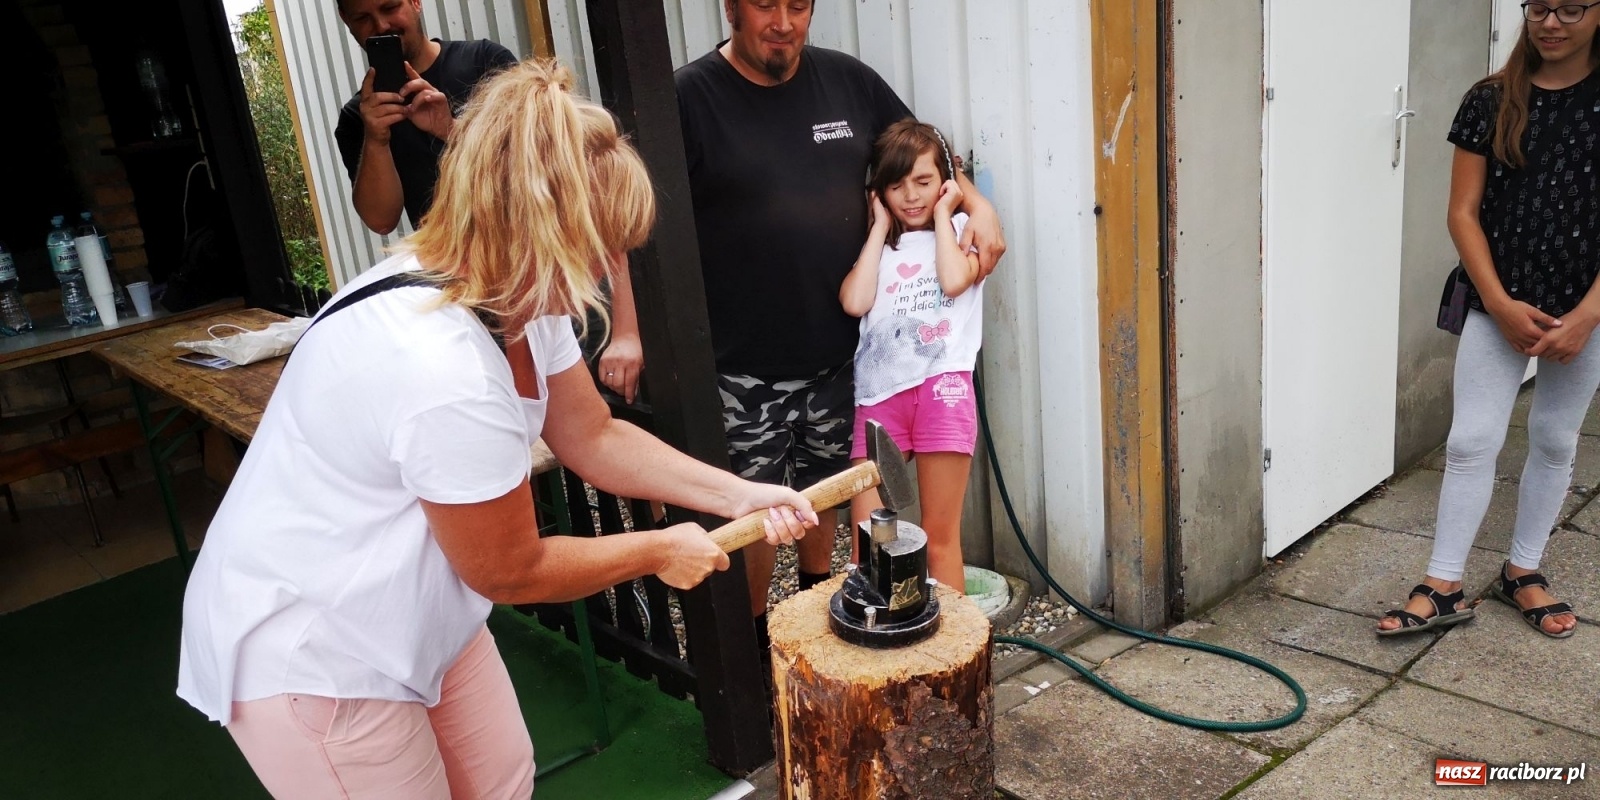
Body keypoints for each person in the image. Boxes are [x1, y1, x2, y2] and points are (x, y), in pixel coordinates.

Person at [177, 59, 819, 798]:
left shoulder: (517, 291)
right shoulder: (440, 367)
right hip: (314, 646)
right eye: (597, 246)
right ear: (536, 227)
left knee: (504, 781)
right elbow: (511, 569)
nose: (608, 271)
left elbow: (593, 436)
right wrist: (657, 549)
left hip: (419, 610)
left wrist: (737, 493)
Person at [674, 0, 1006, 632]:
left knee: (822, 496)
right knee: (752, 517)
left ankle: (815, 609)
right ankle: (753, 649)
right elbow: (636, 216)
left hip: (839, 361)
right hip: (744, 367)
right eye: (764, 5)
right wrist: (630, 331)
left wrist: (979, 205)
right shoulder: (690, 98)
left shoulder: (849, 81)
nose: (783, 22)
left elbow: (927, 153)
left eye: (798, 5)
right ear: (730, 8)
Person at [1378, 1, 1597, 639]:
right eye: (1539, 7)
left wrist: (1586, 317)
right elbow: (1462, 212)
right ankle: (1443, 583)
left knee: (1554, 438)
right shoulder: (1491, 100)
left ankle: (1522, 571)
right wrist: (1498, 303)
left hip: (1585, 310)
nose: (1551, 22)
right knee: (1471, 441)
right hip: (1496, 300)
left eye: (1571, 8)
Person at [332, 0, 647, 405]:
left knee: (585, 416)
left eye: (390, 7)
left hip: (548, 283)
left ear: (415, 2)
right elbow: (380, 219)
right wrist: (376, 139)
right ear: (347, 24)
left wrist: (450, 129)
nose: (381, 25)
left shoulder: (484, 63)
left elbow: (574, 182)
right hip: (468, 304)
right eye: (363, 18)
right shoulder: (358, 118)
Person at [840, 120, 983, 591]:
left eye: (923, 181)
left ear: (945, 181)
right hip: (879, 398)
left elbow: (954, 280)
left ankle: (954, 636)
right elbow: (855, 302)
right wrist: (880, 228)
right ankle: (877, 631)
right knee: (869, 543)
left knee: (939, 539)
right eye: (896, 185)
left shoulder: (963, 231)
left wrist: (945, 215)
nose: (911, 196)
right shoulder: (880, 246)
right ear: (880, 192)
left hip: (943, 388)